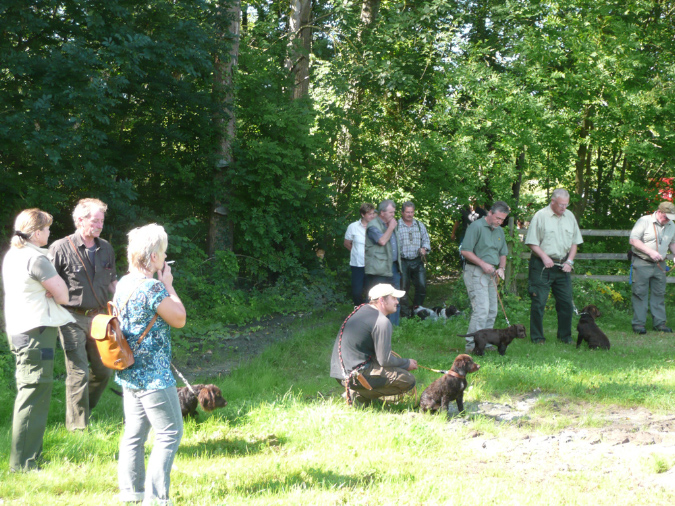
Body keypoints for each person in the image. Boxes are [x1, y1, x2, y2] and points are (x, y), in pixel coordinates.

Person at [114, 224, 186, 504]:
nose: (165, 258)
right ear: (154, 257)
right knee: (169, 433)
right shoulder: (152, 288)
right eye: (163, 253)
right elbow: (179, 318)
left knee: (134, 433)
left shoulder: (123, 283)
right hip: (154, 377)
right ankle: (156, 499)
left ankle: (131, 492)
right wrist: (168, 284)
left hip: (129, 372)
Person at [2, 209, 75, 471]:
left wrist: (49, 291)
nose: (49, 233)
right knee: (33, 395)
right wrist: (53, 291)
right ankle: (23, 463)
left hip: (21, 330)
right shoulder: (36, 258)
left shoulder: (14, 254)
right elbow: (64, 295)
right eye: (46, 229)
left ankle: (30, 456)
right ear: (35, 233)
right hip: (36, 333)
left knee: (34, 393)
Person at [49, 198, 118, 431]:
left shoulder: (106, 247)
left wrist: (124, 303)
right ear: (80, 220)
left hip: (100, 319)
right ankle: (77, 429)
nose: (99, 225)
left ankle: (81, 411)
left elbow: (112, 283)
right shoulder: (59, 247)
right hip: (71, 317)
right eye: (95, 220)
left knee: (103, 370)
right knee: (78, 373)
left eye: (102, 221)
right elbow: (47, 283)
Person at [330, 284, 418, 405]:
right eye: (394, 298)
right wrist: (407, 363)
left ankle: (358, 393)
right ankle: (358, 395)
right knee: (407, 379)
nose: (397, 302)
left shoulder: (361, 310)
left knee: (394, 369)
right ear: (382, 300)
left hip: (339, 374)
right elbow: (385, 361)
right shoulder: (382, 321)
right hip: (353, 376)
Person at [525, 189, 583, 344]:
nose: (564, 208)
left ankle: (565, 336)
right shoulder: (541, 216)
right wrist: (544, 257)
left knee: (566, 303)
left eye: (566, 204)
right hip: (542, 266)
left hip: (563, 266)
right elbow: (531, 241)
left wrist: (570, 261)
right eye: (561, 205)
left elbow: (575, 242)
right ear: (553, 202)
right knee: (539, 302)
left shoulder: (569, 216)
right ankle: (537, 338)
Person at [460, 201, 510, 351]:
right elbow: (465, 251)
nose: (500, 222)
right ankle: (471, 345)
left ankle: (485, 342)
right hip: (476, 271)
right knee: (482, 310)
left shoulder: (499, 230)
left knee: (492, 310)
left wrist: (502, 268)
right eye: (498, 218)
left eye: (503, 220)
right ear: (490, 213)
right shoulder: (476, 227)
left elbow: (503, 253)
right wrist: (483, 264)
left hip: (492, 273)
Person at [628, 201, 675, 334]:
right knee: (639, 293)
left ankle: (660, 324)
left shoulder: (671, 225)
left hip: (660, 265)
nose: (667, 221)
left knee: (659, 293)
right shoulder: (644, 221)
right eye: (666, 217)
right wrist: (651, 252)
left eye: (670, 218)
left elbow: (673, 243)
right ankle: (638, 324)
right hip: (642, 262)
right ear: (659, 212)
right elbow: (633, 240)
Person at [365, 200, 402, 325]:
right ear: (382, 212)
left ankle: (393, 327)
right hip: (378, 268)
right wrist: (391, 227)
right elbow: (381, 241)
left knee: (394, 297)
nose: (393, 215)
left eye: (394, 212)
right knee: (377, 298)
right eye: (391, 212)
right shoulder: (373, 226)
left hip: (393, 266)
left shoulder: (389, 223)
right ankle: (373, 325)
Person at [397, 202, 431, 318]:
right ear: (402, 212)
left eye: (411, 212)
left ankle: (417, 310)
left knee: (421, 286)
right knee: (403, 288)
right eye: (407, 212)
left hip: (417, 260)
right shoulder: (396, 225)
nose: (410, 214)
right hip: (403, 261)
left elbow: (426, 240)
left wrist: (424, 249)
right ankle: (405, 314)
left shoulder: (419, 224)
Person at [344, 203, 377, 305]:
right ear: (363, 214)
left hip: (372, 264)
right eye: (369, 214)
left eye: (373, 213)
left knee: (370, 291)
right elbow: (347, 243)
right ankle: (358, 309)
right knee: (356, 291)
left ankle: (369, 311)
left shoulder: (377, 227)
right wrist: (356, 252)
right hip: (357, 264)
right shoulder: (353, 227)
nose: (372, 216)